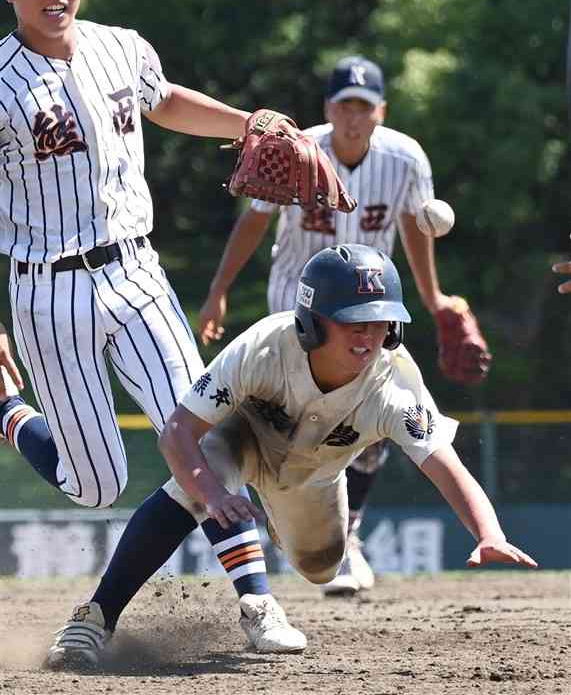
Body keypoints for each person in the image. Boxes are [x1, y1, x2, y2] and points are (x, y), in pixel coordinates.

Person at [0, 0, 303, 636]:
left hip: (137, 271)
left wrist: (247, 123)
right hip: (48, 290)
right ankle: (8, 412)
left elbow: (163, 103)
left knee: (204, 436)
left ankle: (257, 601)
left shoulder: (120, 47)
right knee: (95, 485)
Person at [46, 243, 536, 670]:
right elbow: (178, 434)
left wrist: (489, 534)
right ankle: (94, 618)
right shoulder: (263, 347)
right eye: (351, 321)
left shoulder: (394, 386)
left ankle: (280, 524)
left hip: (314, 481)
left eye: (380, 320)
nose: (367, 334)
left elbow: (445, 466)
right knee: (191, 488)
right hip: (242, 442)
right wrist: (213, 495)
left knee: (322, 566)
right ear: (312, 322)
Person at [197, 54, 491, 595]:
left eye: (363, 105)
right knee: (275, 424)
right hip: (299, 307)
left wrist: (433, 298)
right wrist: (218, 292)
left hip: (368, 315)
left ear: (380, 109)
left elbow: (415, 227)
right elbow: (254, 222)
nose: (352, 116)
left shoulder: (405, 157)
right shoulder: (299, 148)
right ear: (329, 107)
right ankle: (278, 513)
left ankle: (346, 535)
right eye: (343, 104)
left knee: (372, 431)